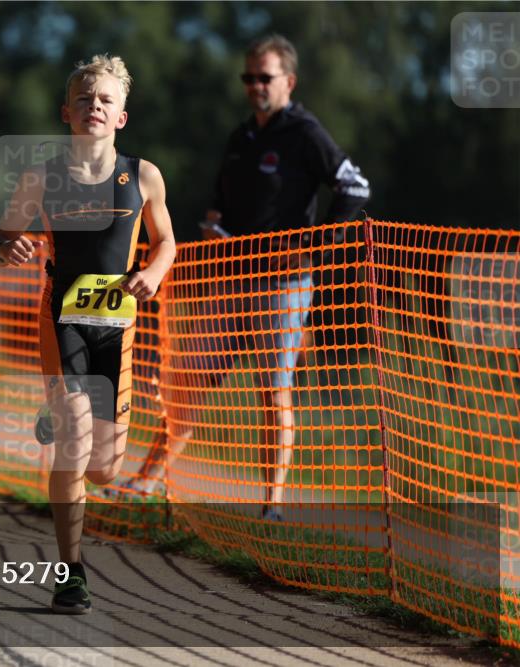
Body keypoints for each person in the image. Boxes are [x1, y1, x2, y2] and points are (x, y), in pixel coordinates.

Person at [128, 35, 370, 522]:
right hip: (229, 281)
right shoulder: (242, 137)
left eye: (265, 77)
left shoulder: (305, 133)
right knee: (186, 384)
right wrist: (215, 229)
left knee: (273, 392)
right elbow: (220, 201)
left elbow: (355, 188)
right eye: (249, 77)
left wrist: (311, 246)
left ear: (289, 81)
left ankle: (272, 506)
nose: (255, 86)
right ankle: (144, 483)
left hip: (283, 286)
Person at [0, 54, 176, 614]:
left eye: (106, 100)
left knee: (105, 466)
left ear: (121, 117)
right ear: (66, 111)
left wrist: (153, 272)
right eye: (85, 99)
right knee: (73, 439)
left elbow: (165, 241)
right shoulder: (42, 176)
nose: (95, 106)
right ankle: (71, 573)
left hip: (117, 330)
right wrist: (6, 247)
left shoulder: (143, 176)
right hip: (61, 319)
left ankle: (58, 418)